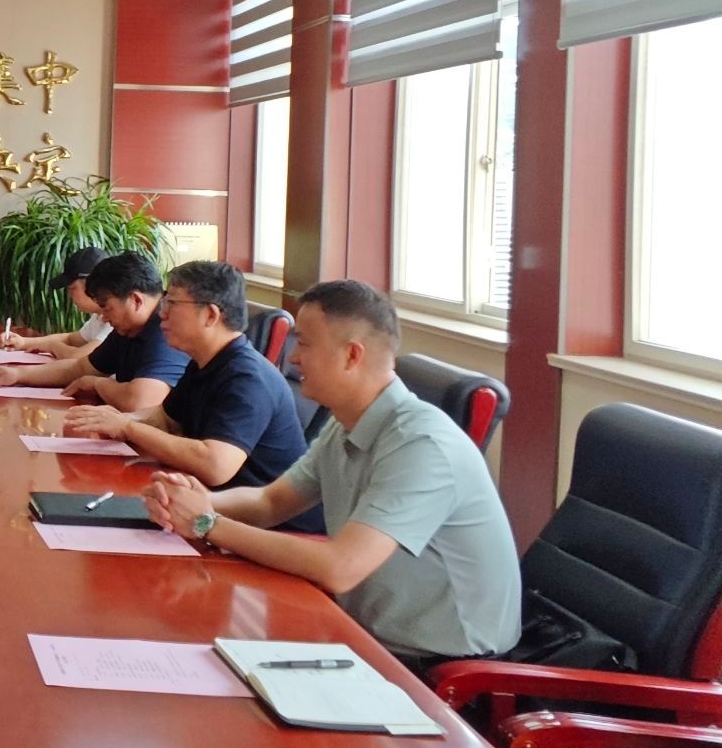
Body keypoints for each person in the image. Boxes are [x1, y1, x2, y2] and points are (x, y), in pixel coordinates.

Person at [142, 279, 520, 669]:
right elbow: (270, 502)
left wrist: (207, 522)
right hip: (363, 631)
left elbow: (340, 567)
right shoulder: (346, 423)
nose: (293, 358)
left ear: (352, 355)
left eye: (304, 344)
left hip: (436, 663)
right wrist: (194, 501)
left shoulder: (422, 444)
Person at [66, 261, 321, 533]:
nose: (162, 313)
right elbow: (164, 419)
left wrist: (128, 426)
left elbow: (215, 464)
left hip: (275, 531)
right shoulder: (204, 362)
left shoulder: (248, 377)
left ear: (210, 315)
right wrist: (112, 419)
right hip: (210, 511)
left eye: (172, 303)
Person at [0, 252, 187, 412]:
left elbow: (140, 402)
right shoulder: (128, 329)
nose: (103, 317)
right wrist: (17, 374)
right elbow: (80, 368)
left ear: (136, 300)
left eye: (107, 308)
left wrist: (98, 384)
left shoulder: (167, 328)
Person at [0, 246, 113, 362]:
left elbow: (79, 357)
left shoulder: (115, 322)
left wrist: (52, 346)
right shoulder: (98, 316)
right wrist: (23, 342)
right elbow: (70, 339)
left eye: (72, 288)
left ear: (93, 286)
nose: (69, 294)